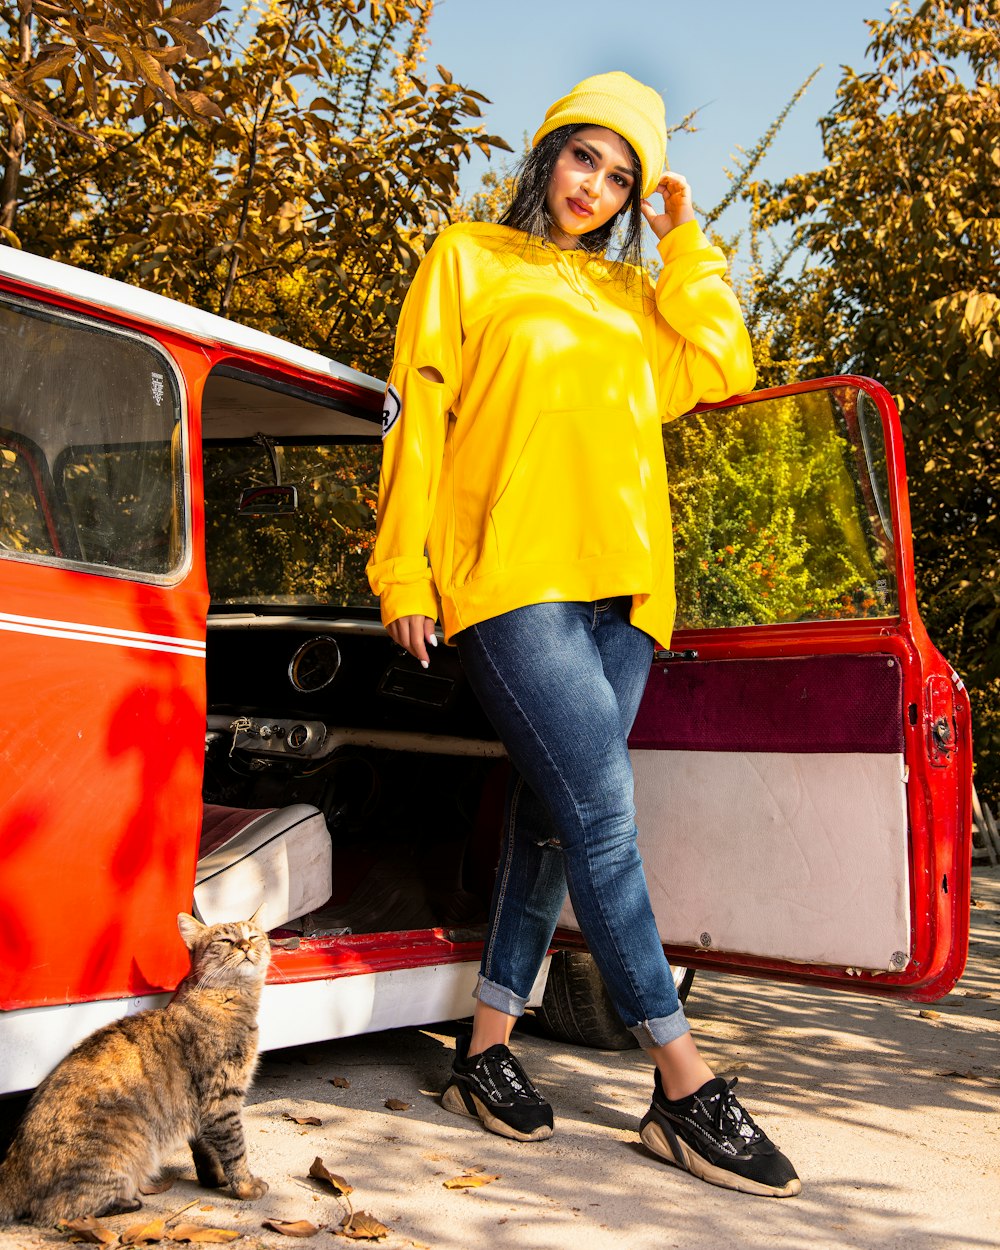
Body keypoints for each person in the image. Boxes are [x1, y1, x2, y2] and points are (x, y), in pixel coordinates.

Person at [366, 71, 800, 1199]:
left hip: (627, 589)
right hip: (510, 578)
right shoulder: (466, 259)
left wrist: (684, 235)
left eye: (620, 177)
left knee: (554, 822)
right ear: (547, 151)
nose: (593, 187)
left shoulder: (630, 297)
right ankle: (683, 1082)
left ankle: (483, 1053)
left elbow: (723, 361)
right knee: (603, 815)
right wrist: (400, 561)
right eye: (583, 159)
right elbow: (414, 416)